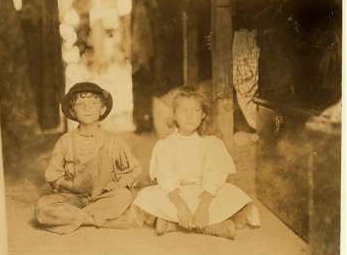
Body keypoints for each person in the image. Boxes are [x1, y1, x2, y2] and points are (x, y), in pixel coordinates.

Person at [132, 86, 260, 238]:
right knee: (146, 196)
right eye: (183, 111)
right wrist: (181, 208)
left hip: (205, 194)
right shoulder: (165, 145)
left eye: (195, 110)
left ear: (203, 115)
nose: (189, 116)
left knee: (235, 194)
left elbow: (213, 177)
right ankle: (210, 226)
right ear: (174, 115)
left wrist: (203, 208)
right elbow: (167, 179)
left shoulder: (211, 143)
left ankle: (175, 224)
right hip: (176, 195)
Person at [35, 82, 141, 234]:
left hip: (103, 196)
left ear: (102, 108)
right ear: (72, 111)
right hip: (72, 199)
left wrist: (119, 183)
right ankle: (97, 220)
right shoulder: (65, 141)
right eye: (80, 104)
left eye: (93, 103)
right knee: (42, 206)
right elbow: (53, 174)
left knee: (124, 196)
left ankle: (77, 218)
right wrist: (71, 186)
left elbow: (134, 169)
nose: (87, 108)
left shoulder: (113, 141)